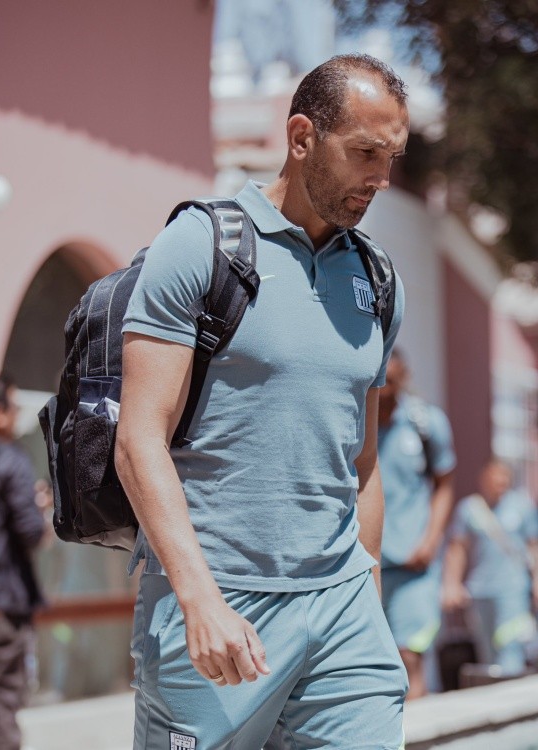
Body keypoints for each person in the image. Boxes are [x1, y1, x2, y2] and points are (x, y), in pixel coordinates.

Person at [116, 53, 410, 750]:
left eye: (392, 157)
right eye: (365, 153)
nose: (381, 178)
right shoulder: (200, 248)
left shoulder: (377, 278)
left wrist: (367, 594)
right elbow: (138, 439)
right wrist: (198, 599)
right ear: (302, 137)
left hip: (342, 608)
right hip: (219, 600)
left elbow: (363, 459)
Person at [377, 348, 456, 699]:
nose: (384, 389)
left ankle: (416, 728)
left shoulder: (425, 424)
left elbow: (445, 485)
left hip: (413, 565)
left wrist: (431, 540)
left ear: (404, 377)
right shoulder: (353, 421)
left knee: (409, 657)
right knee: (371, 663)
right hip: (367, 566)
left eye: (391, 381)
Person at [442, 459, 538, 676]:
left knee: (510, 644)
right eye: (496, 480)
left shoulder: (522, 506)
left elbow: (535, 545)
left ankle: (512, 687)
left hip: (513, 588)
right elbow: (457, 548)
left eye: (504, 480)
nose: (500, 484)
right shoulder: (469, 509)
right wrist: (451, 584)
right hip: (480, 589)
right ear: (484, 480)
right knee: (487, 650)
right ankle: (496, 688)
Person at [0, 375, 45, 750]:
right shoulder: (9, 460)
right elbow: (31, 533)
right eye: (13, 407)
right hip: (2, 609)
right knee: (2, 702)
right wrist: (39, 509)